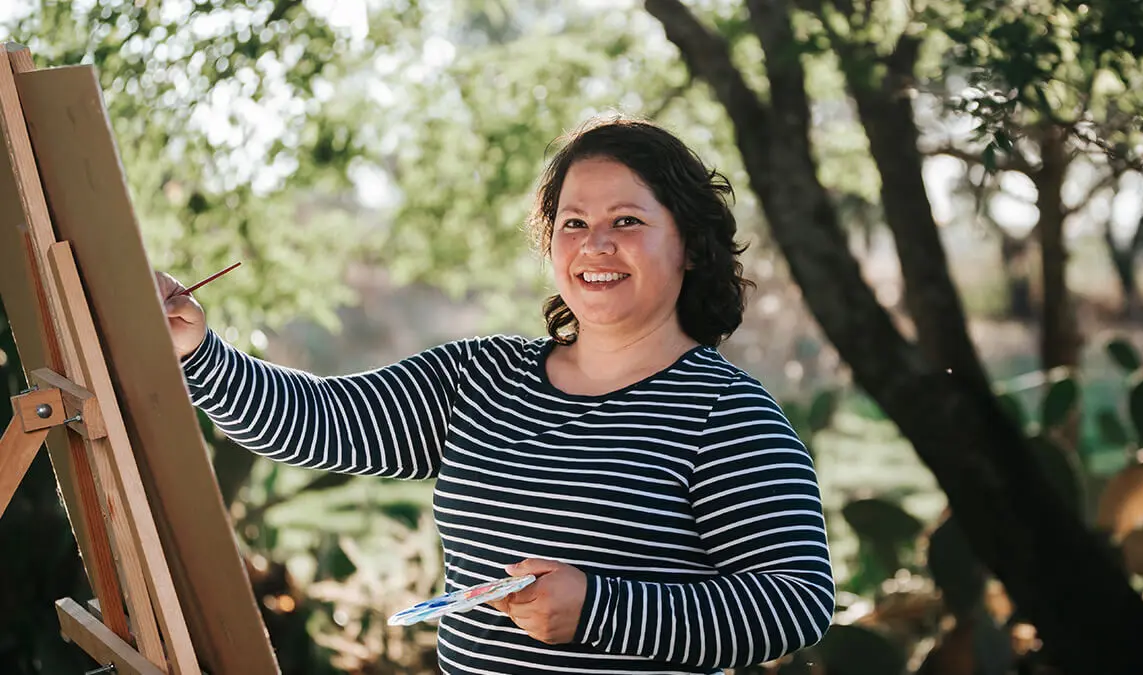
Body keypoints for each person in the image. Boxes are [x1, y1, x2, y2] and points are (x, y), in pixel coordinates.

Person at [158, 117, 835, 675]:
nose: (594, 244)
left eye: (626, 220)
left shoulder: (728, 415)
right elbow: (322, 422)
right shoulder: (481, 377)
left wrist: (601, 607)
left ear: (688, 243)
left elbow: (794, 601)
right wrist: (199, 350)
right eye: (572, 223)